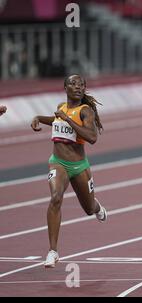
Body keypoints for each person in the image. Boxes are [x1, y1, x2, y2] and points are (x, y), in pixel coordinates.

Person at [30, 74, 107, 268]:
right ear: (65, 88)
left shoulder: (85, 111)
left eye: (81, 85)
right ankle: (53, 251)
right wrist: (39, 118)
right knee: (56, 197)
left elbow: (92, 137)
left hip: (79, 166)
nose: (78, 87)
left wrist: (69, 120)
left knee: (88, 209)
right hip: (58, 163)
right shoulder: (61, 108)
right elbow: (57, 121)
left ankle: (97, 206)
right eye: (73, 84)